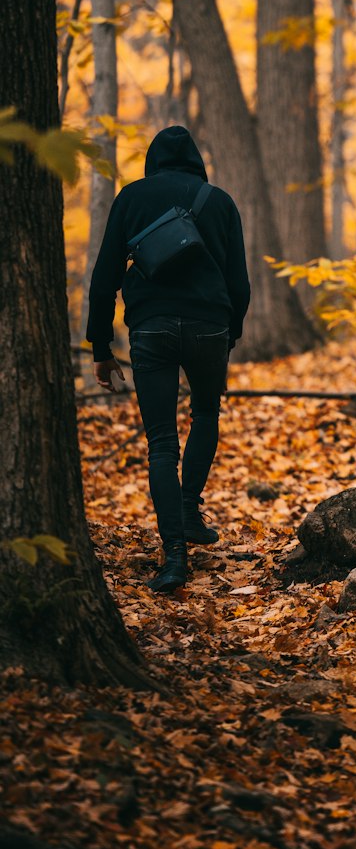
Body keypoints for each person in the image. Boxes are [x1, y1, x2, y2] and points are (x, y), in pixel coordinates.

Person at [87, 126, 251, 592]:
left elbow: (104, 280)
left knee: (161, 443)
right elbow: (239, 285)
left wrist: (101, 348)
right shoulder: (218, 200)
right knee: (205, 414)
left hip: (152, 328)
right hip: (208, 328)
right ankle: (188, 507)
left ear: (152, 160)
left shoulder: (131, 197)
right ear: (197, 161)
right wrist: (227, 342)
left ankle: (175, 557)